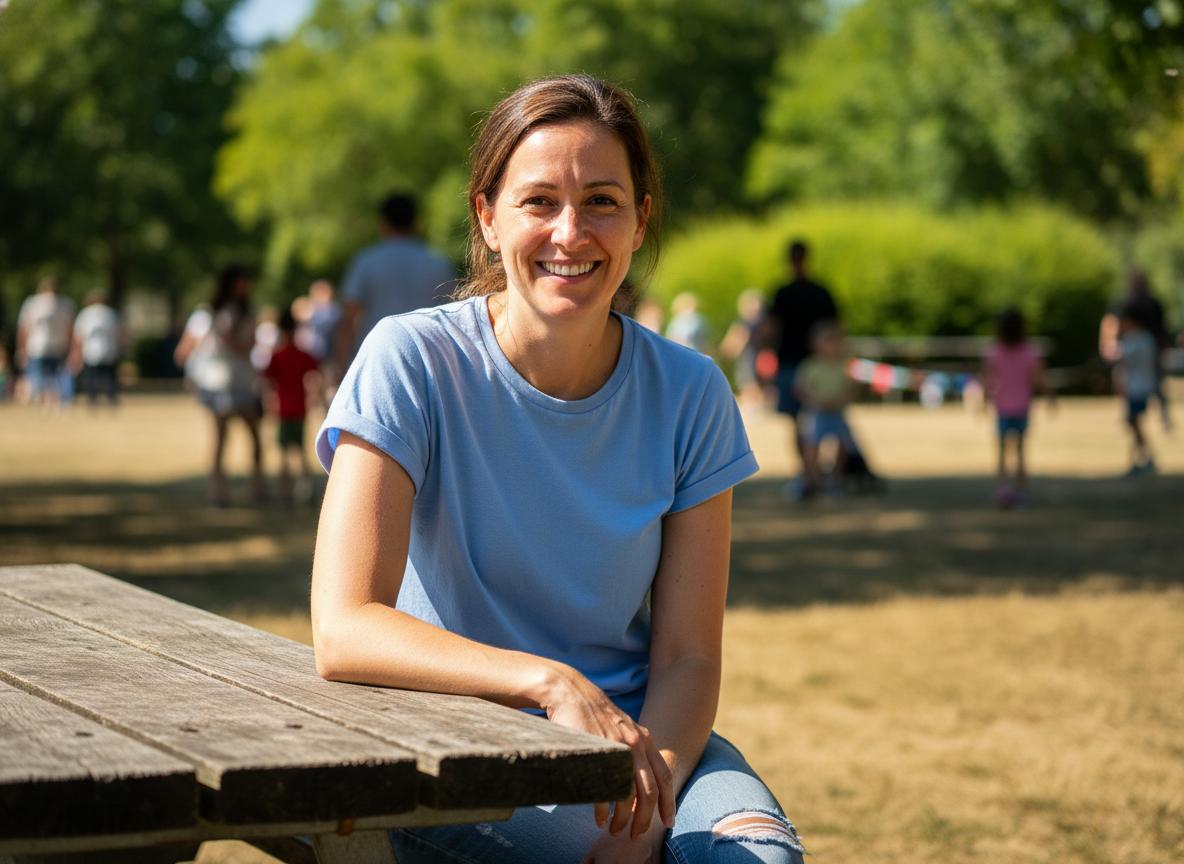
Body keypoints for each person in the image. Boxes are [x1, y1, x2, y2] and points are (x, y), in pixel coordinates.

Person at [312, 75, 805, 864]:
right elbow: (344, 627)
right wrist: (550, 683)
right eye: (539, 201)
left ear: (641, 221)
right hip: (455, 743)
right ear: (487, 215)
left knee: (758, 858)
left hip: (645, 735)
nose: (571, 233)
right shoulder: (410, 360)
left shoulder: (691, 392)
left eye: (603, 200)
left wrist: (650, 797)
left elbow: (687, 658)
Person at [174, 265, 266, 506]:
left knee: (255, 437)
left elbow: (248, 343)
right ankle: (218, 490)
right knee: (221, 439)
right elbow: (229, 342)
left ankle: (257, 487)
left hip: (243, 381)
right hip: (221, 382)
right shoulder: (217, 312)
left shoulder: (245, 311)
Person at [336, 192, 456, 367]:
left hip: (377, 359)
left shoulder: (366, 262)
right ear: (416, 223)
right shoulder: (439, 264)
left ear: (382, 223)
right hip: (429, 358)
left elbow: (349, 317)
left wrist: (342, 364)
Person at [766, 240, 838, 499]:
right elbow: (837, 327)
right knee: (823, 420)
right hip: (818, 365)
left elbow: (771, 330)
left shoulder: (782, 292)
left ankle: (808, 472)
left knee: (798, 421)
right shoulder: (821, 292)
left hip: (791, 364)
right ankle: (815, 471)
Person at [981, 308, 1054, 508]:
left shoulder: (994, 352)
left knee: (1003, 452)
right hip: (1022, 407)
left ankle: (1002, 489)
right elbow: (1039, 380)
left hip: (1003, 407)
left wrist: (984, 400)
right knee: (1021, 452)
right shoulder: (1030, 352)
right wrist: (1050, 396)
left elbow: (987, 380)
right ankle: (1021, 491)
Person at [1099, 268, 1171, 431]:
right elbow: (1111, 322)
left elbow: (1161, 330)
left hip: (1145, 350)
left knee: (1150, 384)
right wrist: (1108, 344)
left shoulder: (1150, 303)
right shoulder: (1126, 302)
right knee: (1135, 384)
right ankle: (1136, 413)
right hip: (1137, 349)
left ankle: (1155, 413)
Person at [794, 320, 857, 496]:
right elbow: (801, 389)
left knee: (843, 445)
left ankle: (836, 479)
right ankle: (811, 479)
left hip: (837, 412)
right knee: (811, 446)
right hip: (816, 413)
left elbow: (851, 389)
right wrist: (816, 401)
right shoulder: (810, 366)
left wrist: (839, 400)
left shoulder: (844, 367)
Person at [264, 310, 321, 505]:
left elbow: (268, 383)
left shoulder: (277, 355)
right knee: (301, 451)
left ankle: (285, 492)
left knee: (283, 453)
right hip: (298, 409)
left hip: (284, 409)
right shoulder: (302, 355)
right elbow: (314, 376)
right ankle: (306, 489)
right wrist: (314, 397)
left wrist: (270, 403)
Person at [16, 276, 76, 407]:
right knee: (57, 377)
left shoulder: (32, 303)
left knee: (39, 377)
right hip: (59, 345)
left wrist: (21, 349)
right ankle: (57, 402)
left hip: (37, 347)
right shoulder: (65, 304)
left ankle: (43, 401)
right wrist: (72, 348)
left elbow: (24, 328)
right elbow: (70, 329)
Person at [1114, 303, 1160, 476]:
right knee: (1134, 423)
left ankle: (1142, 458)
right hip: (1135, 386)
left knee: (1134, 422)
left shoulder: (1137, 340)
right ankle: (1140, 457)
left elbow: (1127, 362)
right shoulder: (1140, 339)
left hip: (1138, 387)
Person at [71, 291, 125, 407]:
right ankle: (111, 399)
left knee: (91, 377)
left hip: (90, 351)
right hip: (109, 350)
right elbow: (119, 334)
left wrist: (76, 352)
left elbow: (79, 336)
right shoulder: (111, 313)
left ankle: (92, 400)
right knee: (109, 377)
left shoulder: (85, 314)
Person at [719, 289, 767, 411]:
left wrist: (726, 352)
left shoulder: (744, 323)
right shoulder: (764, 322)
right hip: (761, 359)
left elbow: (735, 342)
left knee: (749, 386)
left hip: (748, 359)